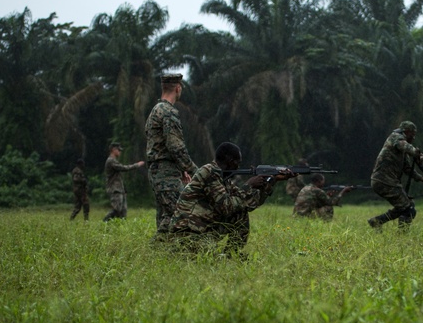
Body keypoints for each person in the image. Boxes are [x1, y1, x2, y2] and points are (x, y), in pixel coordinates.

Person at [170, 142, 295, 257]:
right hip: (188, 233)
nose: (238, 166)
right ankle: (227, 258)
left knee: (241, 215)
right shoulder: (209, 172)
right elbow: (226, 207)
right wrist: (249, 186)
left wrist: (271, 181)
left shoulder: (222, 179)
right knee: (207, 259)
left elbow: (248, 204)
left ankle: (230, 256)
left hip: (200, 230)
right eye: (237, 162)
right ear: (230, 161)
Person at [145, 73, 199, 239]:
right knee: (179, 213)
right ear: (178, 88)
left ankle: (160, 254)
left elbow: (162, 146)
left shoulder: (156, 110)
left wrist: (181, 169)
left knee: (167, 216)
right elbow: (175, 146)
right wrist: (194, 170)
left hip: (159, 170)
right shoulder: (168, 112)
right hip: (165, 172)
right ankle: (157, 249)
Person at [367, 120, 423, 229]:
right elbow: (406, 147)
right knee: (408, 209)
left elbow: (408, 170)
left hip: (386, 182)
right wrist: (417, 154)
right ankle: (401, 237)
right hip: (384, 181)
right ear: (407, 132)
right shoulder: (396, 137)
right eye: (412, 135)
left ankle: (377, 221)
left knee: (404, 207)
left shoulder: (401, 151)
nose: (413, 138)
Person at [102, 142, 145, 222]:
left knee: (123, 211)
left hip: (120, 188)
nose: (120, 152)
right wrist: (137, 165)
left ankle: (121, 226)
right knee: (116, 209)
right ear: (113, 150)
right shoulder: (111, 161)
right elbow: (123, 168)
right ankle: (104, 222)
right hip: (115, 189)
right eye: (118, 150)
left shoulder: (113, 160)